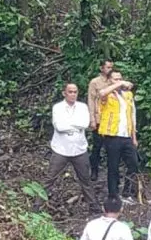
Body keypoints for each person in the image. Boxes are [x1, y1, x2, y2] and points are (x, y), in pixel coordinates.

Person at [43, 83, 98, 213]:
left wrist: (69, 123)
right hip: (61, 149)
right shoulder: (58, 107)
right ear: (64, 93)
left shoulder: (82, 107)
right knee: (50, 178)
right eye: (70, 92)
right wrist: (76, 125)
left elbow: (85, 124)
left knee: (85, 179)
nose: (73, 94)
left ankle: (93, 206)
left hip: (79, 149)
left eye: (75, 92)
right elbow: (59, 127)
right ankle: (37, 204)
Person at [96, 70, 139, 198]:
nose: (119, 81)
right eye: (115, 79)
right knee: (113, 166)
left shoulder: (128, 95)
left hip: (126, 136)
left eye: (120, 78)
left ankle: (127, 192)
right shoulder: (107, 95)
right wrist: (118, 84)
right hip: (112, 135)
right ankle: (113, 194)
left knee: (133, 164)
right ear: (109, 81)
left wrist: (134, 137)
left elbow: (132, 116)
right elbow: (102, 93)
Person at [87, 59, 115, 181]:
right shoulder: (95, 82)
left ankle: (112, 172)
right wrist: (92, 119)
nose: (110, 70)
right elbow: (91, 101)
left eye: (111, 67)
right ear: (102, 68)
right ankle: (94, 170)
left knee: (112, 147)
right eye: (108, 67)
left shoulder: (114, 81)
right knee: (97, 147)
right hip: (99, 119)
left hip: (112, 120)